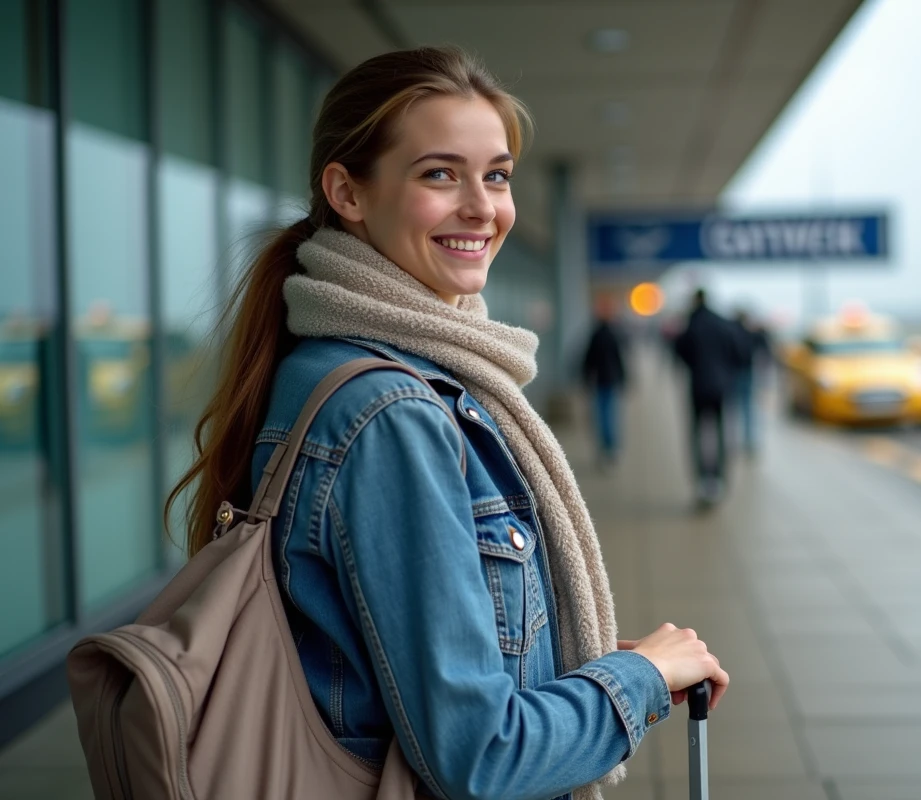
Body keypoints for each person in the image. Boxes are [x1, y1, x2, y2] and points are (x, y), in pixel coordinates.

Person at [167, 47, 728, 800]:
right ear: (348, 192)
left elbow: (394, 657)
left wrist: (575, 658)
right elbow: (480, 754)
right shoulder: (391, 413)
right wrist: (642, 677)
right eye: (439, 174)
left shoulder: (336, 364)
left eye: (496, 175)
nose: (482, 207)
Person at [673, 289, 746, 506]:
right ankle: (719, 478)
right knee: (722, 432)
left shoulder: (692, 324)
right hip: (722, 387)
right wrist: (726, 372)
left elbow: (680, 351)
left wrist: (696, 367)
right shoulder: (723, 323)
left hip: (698, 386)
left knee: (697, 434)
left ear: (695, 301)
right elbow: (739, 353)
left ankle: (702, 479)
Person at [581, 295, 626, 468]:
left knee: (601, 416)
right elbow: (619, 359)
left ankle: (605, 448)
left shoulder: (596, 334)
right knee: (611, 415)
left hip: (600, 380)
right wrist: (623, 378)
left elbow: (588, 359)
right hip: (612, 380)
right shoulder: (614, 334)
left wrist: (585, 378)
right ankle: (611, 448)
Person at [731, 310, 773, 455]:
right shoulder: (749, 333)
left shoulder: (732, 333)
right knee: (748, 408)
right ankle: (749, 441)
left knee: (734, 408)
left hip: (734, 374)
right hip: (747, 373)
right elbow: (763, 352)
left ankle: (735, 442)